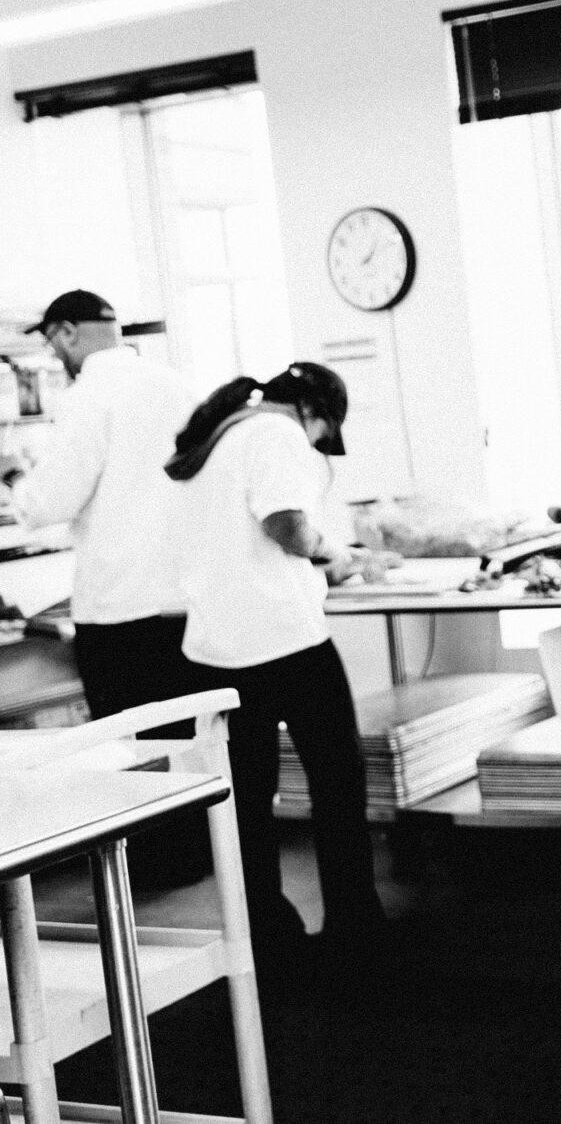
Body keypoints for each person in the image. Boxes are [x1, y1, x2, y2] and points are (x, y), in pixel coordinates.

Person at [165, 362, 388, 970]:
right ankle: (354, 925)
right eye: (324, 435)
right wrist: (333, 551)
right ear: (315, 414)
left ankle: (266, 936)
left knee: (246, 800)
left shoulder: (216, 436)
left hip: (214, 648)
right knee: (338, 782)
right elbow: (285, 525)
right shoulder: (278, 434)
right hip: (285, 642)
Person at [0, 290, 205, 884]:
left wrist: (15, 474)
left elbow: (52, 499)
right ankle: (193, 855)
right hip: (181, 603)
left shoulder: (90, 395)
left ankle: (150, 867)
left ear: (65, 334)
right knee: (179, 736)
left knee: (128, 744)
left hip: (119, 607)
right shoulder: (175, 385)